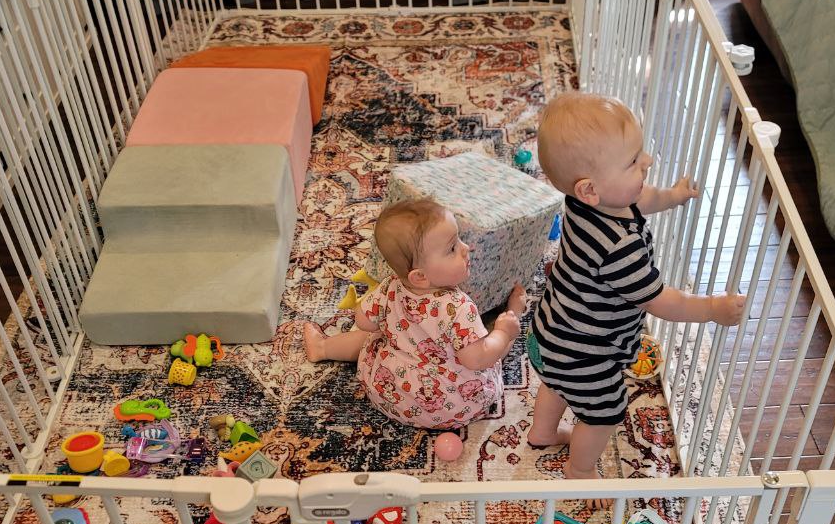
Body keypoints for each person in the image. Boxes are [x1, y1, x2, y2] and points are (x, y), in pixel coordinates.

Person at [528, 92, 745, 492]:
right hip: (585, 349)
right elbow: (662, 300)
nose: (647, 162)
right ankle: (579, 472)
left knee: (555, 380)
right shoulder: (618, 248)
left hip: (552, 328)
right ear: (590, 188)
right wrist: (712, 308)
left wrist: (674, 197)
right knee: (604, 411)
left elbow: (644, 198)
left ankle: (542, 432)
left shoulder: (586, 202)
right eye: (633, 161)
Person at [303, 198, 527, 429]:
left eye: (458, 239)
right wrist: (501, 331)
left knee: (371, 340)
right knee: (494, 346)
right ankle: (515, 314)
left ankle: (322, 348)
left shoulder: (390, 286)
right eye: (452, 248)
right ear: (420, 276)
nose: (465, 248)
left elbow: (363, 322)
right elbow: (477, 359)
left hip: (393, 394)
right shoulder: (459, 307)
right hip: (457, 404)